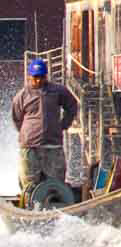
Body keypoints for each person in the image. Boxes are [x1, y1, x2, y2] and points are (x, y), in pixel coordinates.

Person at [11, 57, 79, 192]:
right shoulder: (22, 96)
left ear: (46, 76)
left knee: (56, 184)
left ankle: (57, 207)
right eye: (35, 77)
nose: (38, 80)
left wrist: (63, 124)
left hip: (53, 145)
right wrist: (26, 133)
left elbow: (72, 105)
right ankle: (30, 207)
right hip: (30, 147)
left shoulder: (58, 91)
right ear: (30, 77)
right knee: (29, 186)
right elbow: (16, 118)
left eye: (41, 77)